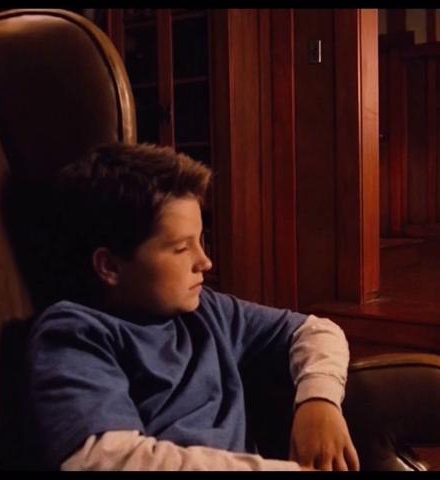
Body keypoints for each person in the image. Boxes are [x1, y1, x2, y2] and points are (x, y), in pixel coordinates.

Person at [28, 143, 359, 471]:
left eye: (201, 240)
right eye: (181, 248)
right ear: (110, 267)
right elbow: (103, 459)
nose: (205, 261)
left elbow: (316, 330)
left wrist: (319, 401)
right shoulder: (76, 333)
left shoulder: (206, 311)